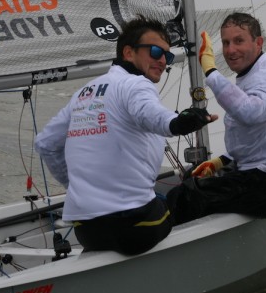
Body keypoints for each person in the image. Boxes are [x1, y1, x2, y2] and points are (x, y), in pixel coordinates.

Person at [34, 15, 216, 255]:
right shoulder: (136, 85)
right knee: (195, 195)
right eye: (154, 51)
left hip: (87, 232)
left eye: (167, 55)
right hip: (136, 229)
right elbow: (150, 115)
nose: (163, 61)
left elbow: (45, 143)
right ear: (128, 53)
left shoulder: (83, 93)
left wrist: (77, 186)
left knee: (158, 198)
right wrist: (178, 123)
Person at [169, 12, 266, 224]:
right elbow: (260, 136)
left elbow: (252, 112)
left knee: (185, 196)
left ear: (258, 42)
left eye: (239, 41)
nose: (230, 50)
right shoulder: (257, 72)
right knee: (192, 177)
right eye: (226, 43)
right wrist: (221, 161)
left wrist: (210, 71)